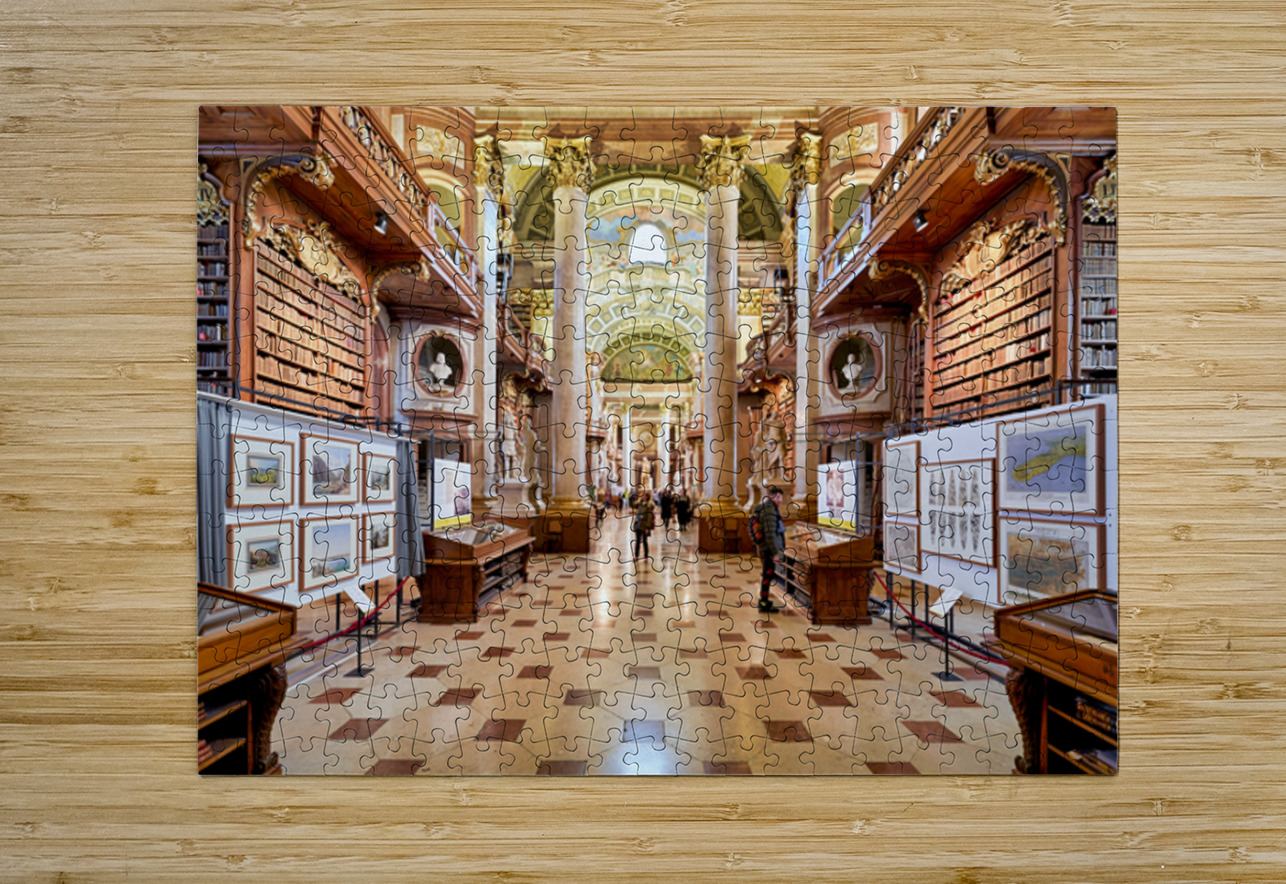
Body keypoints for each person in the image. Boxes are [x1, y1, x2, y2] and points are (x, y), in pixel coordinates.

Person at [752, 485, 787, 614]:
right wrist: (776, 553)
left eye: (781, 497)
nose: (780, 500)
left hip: (765, 548)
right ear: (771, 496)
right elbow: (771, 534)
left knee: (768, 573)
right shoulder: (770, 510)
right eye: (777, 497)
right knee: (768, 574)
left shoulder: (769, 508)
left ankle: (764, 600)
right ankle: (763, 602)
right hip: (769, 549)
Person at [631, 485, 654, 563]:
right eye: (642, 495)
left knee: (644, 541)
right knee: (637, 541)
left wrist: (648, 527)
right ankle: (636, 556)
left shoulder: (649, 505)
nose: (643, 496)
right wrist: (631, 497)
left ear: (647, 496)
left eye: (644, 495)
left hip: (644, 525)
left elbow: (649, 517)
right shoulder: (639, 503)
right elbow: (632, 505)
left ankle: (646, 557)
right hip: (638, 524)